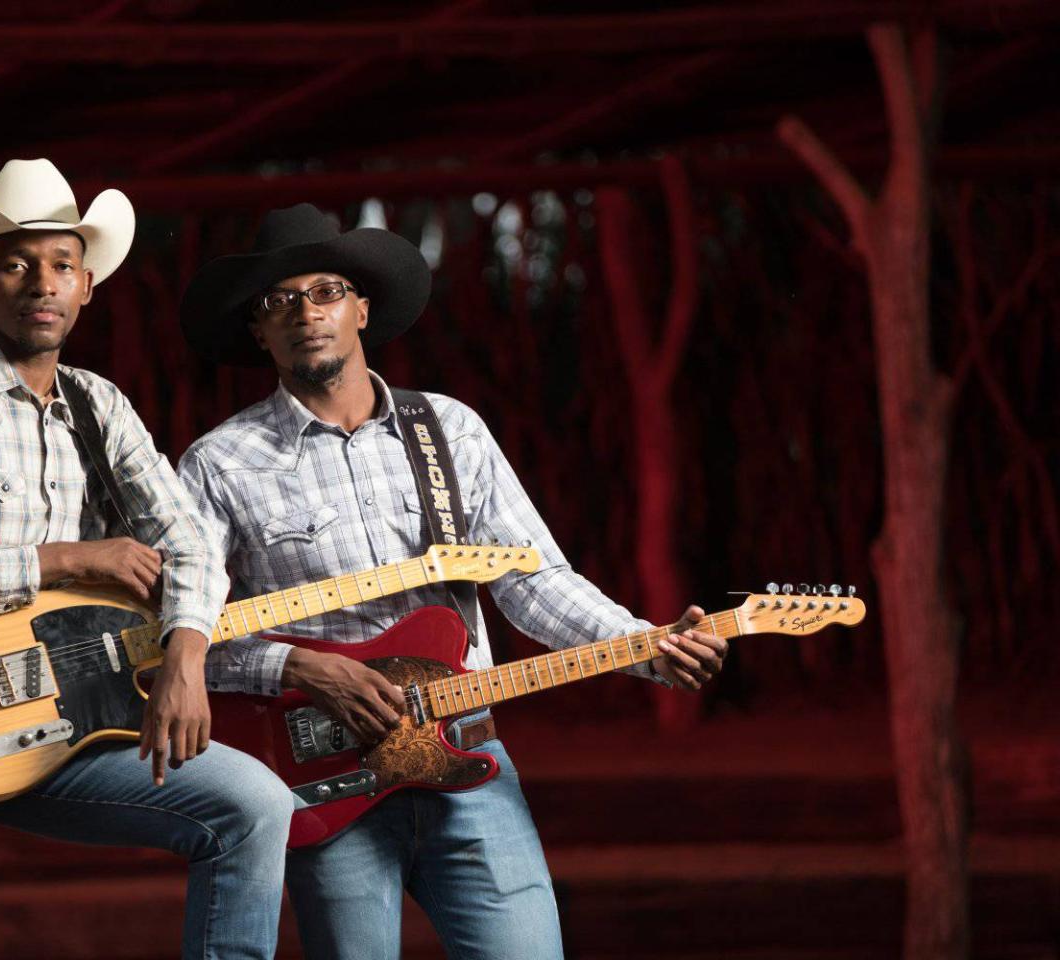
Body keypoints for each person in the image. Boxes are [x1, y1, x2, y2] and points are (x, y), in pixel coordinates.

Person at [174, 203, 728, 959]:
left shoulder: (448, 431)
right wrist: (295, 666)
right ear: (258, 330)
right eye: (279, 301)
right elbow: (180, 640)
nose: (306, 313)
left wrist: (642, 643)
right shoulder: (219, 463)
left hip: (467, 756)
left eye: (326, 291)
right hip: (325, 778)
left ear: (362, 307)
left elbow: (533, 580)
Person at [0, 159, 292, 960]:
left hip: (45, 707)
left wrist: (185, 653)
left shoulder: (99, 406)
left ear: (87, 285)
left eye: (62, 264)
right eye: (16, 263)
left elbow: (192, 541)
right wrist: (68, 558)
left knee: (252, 805)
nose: (43, 282)